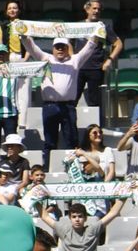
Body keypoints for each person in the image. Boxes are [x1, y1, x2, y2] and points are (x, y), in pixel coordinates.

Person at [24, 32, 100, 166]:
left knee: (71, 140)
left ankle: (74, 169)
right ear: (53, 48)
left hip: (68, 106)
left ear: (67, 48)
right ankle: (47, 168)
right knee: (50, 141)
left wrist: (97, 32)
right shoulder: (45, 58)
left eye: (63, 47)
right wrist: (23, 33)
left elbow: (90, 46)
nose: (60, 49)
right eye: (57, 47)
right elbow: (30, 46)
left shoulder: (75, 60)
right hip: (49, 106)